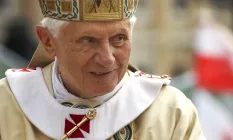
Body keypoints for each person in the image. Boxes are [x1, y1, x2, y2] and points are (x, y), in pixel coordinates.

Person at [0, 0, 205, 140]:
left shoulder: (171, 113)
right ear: (48, 41)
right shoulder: (6, 106)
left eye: (119, 39)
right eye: (88, 41)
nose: (107, 59)